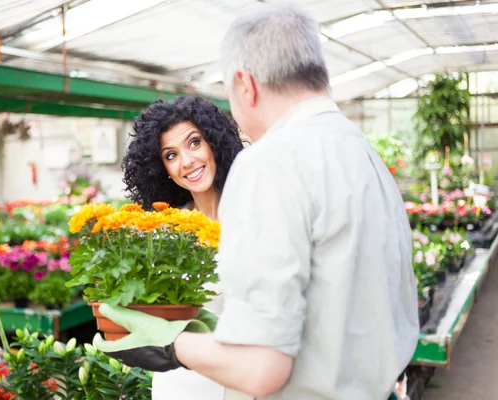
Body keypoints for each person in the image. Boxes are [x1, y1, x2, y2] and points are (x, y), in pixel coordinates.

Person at [96, 4, 419, 400]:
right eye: (171, 154)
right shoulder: (364, 156)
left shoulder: (270, 163)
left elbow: (260, 367)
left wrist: (167, 344)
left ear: (245, 85)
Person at [122, 95, 247, 399]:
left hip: (238, 379)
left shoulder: (250, 218)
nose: (187, 162)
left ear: (215, 143)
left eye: (194, 143)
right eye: (171, 155)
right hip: (176, 382)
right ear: (161, 167)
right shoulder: (166, 230)